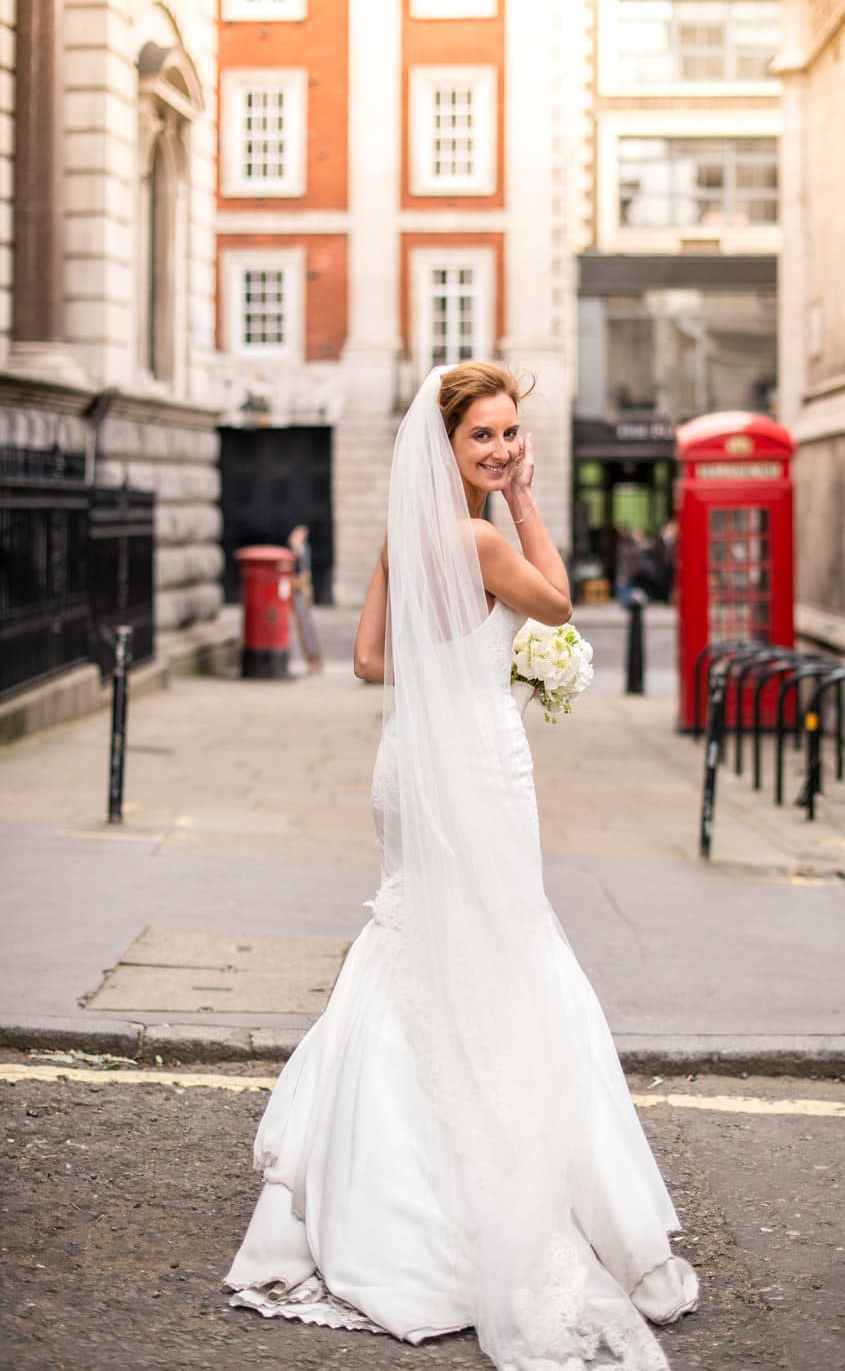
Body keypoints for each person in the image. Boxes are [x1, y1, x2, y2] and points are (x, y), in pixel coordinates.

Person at [225, 362, 698, 1369]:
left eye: (508, 434)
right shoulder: (479, 537)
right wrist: (526, 502)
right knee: (499, 949)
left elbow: (365, 660)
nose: (498, 449)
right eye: (481, 436)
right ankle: (474, 1202)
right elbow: (562, 605)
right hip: (477, 765)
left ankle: (373, 1181)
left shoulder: (407, 539)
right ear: (442, 447)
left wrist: (451, 669)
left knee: (414, 944)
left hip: (407, 764)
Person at [287, 524, 323, 674]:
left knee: (306, 627)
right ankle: (312, 661)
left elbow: (302, 571)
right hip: (297, 590)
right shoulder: (297, 549)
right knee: (303, 629)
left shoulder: (301, 549)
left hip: (301, 591)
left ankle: (314, 661)